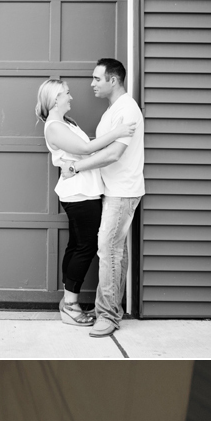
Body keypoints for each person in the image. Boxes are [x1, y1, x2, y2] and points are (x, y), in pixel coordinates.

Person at [36, 78, 138, 327]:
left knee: (77, 246)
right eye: (67, 94)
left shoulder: (64, 123)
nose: (71, 98)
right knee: (85, 248)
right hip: (79, 195)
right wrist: (118, 132)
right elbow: (86, 147)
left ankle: (68, 302)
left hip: (84, 192)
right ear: (55, 99)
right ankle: (70, 305)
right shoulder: (55, 126)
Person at [59, 58, 145, 338]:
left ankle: (107, 315)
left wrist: (75, 167)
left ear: (113, 80)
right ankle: (111, 309)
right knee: (115, 252)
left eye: (97, 79)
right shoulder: (113, 111)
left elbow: (113, 153)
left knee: (107, 251)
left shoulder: (127, 110)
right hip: (112, 190)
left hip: (122, 191)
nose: (92, 84)